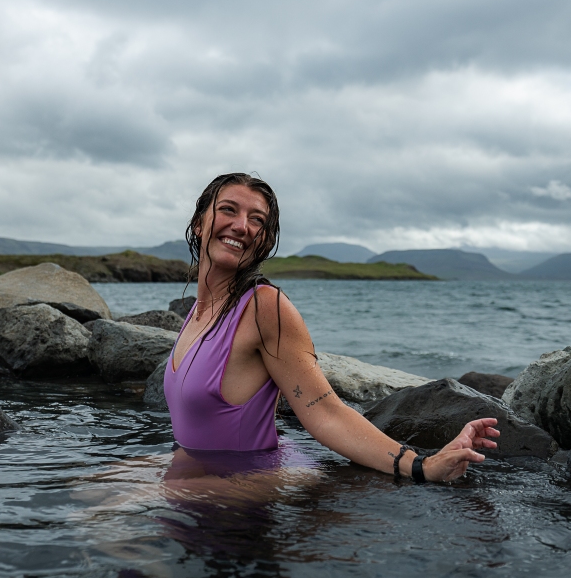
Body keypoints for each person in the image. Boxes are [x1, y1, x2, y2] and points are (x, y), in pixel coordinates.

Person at [164, 172, 500, 483]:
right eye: (228, 210)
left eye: (257, 220)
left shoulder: (264, 306)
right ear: (198, 224)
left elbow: (325, 411)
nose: (241, 226)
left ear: (264, 241)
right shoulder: (198, 311)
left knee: (115, 514)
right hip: (202, 473)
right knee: (112, 488)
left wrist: (421, 466)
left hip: (245, 482)